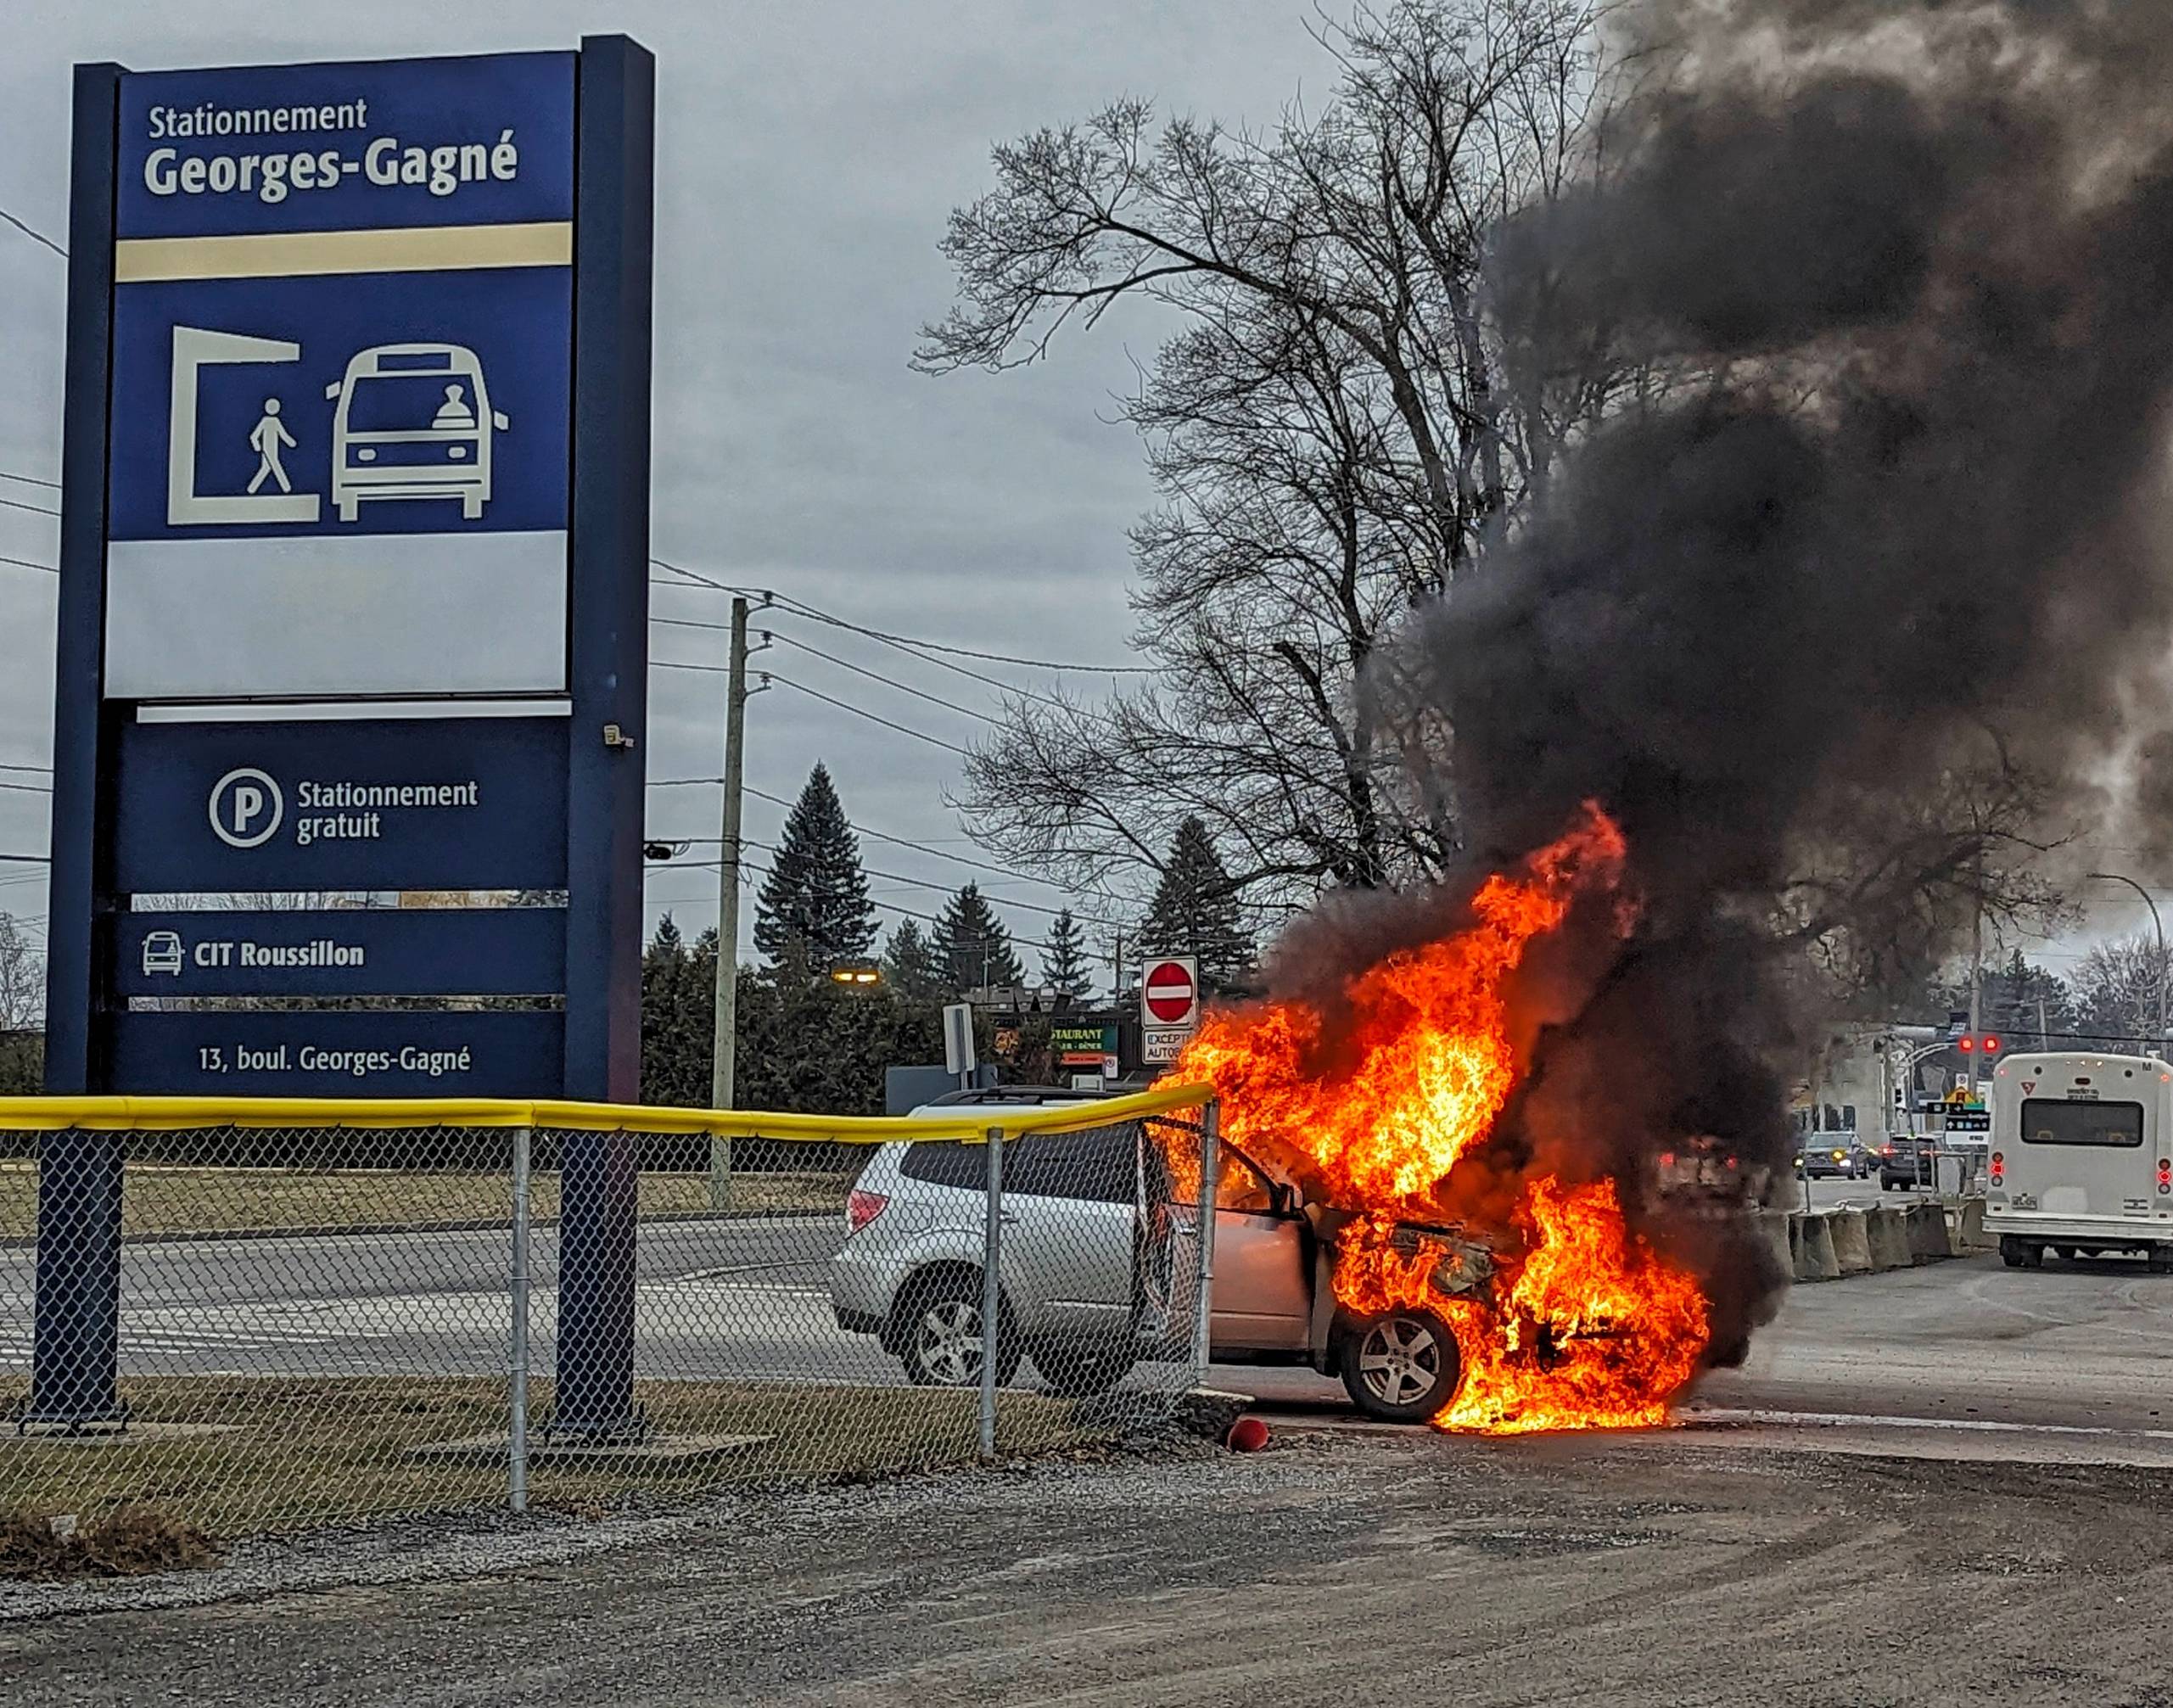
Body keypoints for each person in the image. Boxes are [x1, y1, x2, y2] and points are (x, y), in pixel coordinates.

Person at [246, 398, 296, 495]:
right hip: (267, 450)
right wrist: (257, 446)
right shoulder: (265, 422)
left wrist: (290, 442)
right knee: (276, 466)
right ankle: (286, 488)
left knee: (265, 469)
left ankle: (252, 489)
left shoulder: (275, 421)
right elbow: (254, 435)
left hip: (272, 450)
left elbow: (283, 434)